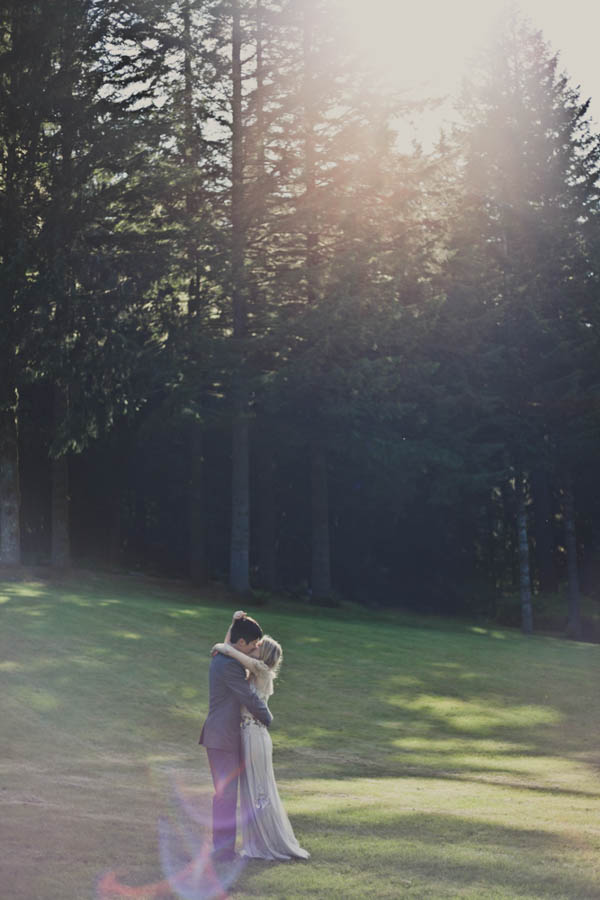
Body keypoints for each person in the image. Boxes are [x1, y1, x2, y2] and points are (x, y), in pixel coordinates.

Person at [211, 612, 309, 861]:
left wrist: (224, 643)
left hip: (253, 733)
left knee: (258, 790)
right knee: (251, 791)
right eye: (253, 643)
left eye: (258, 646)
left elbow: (233, 649)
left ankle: (266, 842)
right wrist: (232, 627)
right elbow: (234, 647)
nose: (254, 647)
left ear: (262, 655)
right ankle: (251, 842)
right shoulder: (247, 668)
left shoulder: (260, 669)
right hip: (244, 734)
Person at [199, 613, 273, 862]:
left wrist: (233, 621)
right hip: (222, 737)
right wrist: (267, 717)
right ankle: (221, 850)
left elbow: (229, 642)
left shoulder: (224, 656)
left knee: (227, 794)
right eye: (252, 644)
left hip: (225, 736)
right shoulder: (229, 666)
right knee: (225, 794)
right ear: (241, 643)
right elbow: (248, 697)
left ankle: (224, 848)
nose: (255, 649)